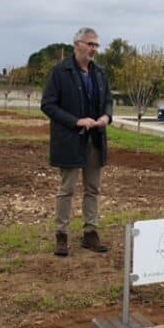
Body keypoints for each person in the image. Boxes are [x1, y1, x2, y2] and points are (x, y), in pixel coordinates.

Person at [41, 27, 113, 257]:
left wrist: (106, 117)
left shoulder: (99, 73)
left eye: (96, 45)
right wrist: (76, 121)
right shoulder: (60, 72)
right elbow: (48, 105)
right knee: (67, 189)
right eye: (89, 44)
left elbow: (108, 101)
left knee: (93, 188)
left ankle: (90, 233)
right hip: (71, 139)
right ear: (77, 44)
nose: (93, 49)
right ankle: (61, 234)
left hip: (95, 139)